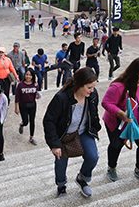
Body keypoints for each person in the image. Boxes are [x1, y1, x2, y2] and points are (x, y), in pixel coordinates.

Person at [43, 67, 101, 198]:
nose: (92, 91)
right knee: (61, 163)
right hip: (64, 135)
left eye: (93, 87)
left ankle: (82, 178)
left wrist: (95, 129)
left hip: (83, 132)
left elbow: (93, 113)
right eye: (89, 87)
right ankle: (61, 185)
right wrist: (54, 144)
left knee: (93, 157)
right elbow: (49, 121)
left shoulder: (92, 95)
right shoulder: (62, 98)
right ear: (80, 84)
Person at [15, 68, 40, 145]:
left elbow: (36, 93)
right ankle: (22, 124)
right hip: (23, 106)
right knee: (26, 122)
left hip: (32, 105)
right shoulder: (20, 85)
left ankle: (31, 137)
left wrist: (37, 96)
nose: (28, 76)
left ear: (33, 76)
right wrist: (16, 108)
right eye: (27, 74)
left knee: (32, 121)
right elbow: (17, 97)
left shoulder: (35, 84)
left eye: (30, 75)